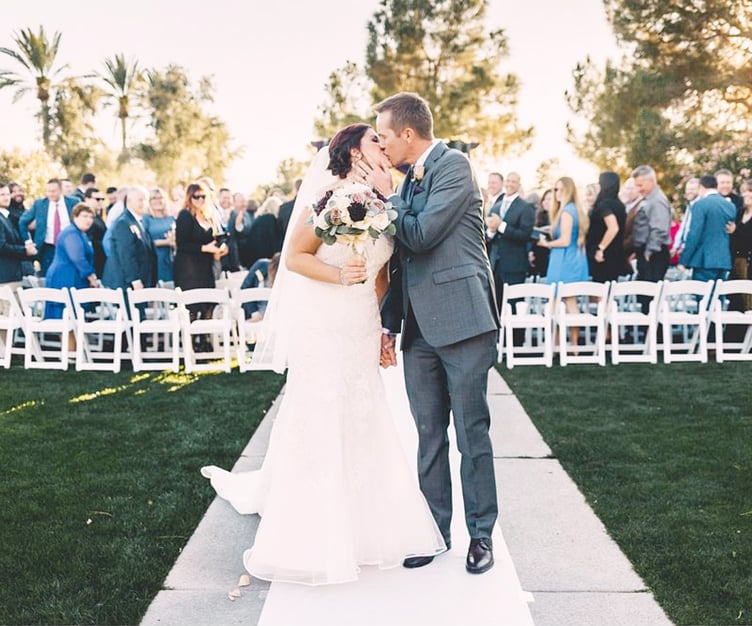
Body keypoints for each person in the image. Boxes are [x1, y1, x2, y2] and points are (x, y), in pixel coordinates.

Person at [201, 123, 445, 585]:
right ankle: (313, 523)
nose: (384, 144)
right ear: (355, 151)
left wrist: (381, 331)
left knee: (363, 409)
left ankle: (365, 521)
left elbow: (381, 275)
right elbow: (295, 258)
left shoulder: (385, 201)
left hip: (361, 323)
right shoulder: (330, 197)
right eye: (375, 139)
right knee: (322, 408)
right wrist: (340, 278)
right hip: (325, 321)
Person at [368, 92, 500, 575]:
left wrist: (378, 202)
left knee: (471, 433)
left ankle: (481, 535)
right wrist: (390, 321)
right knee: (428, 436)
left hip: (463, 322)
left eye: (383, 136)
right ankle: (434, 530)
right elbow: (404, 261)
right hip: (418, 331)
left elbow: (421, 235)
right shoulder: (404, 186)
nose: (380, 145)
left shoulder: (453, 166)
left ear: (408, 134)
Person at [173, 182, 228, 351]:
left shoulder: (209, 216)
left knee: (208, 303)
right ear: (189, 198)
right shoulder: (185, 216)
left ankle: (204, 339)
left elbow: (221, 235)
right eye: (196, 196)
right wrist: (205, 248)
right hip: (188, 269)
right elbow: (181, 244)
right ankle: (189, 342)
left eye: (203, 196)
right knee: (191, 305)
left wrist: (222, 247)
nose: (200, 200)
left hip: (205, 267)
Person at [536, 176, 589, 347]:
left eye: (559, 189)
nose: (556, 193)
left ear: (567, 190)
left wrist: (546, 243)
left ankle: (557, 346)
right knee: (569, 302)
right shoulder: (575, 209)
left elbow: (565, 240)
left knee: (558, 303)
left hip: (564, 259)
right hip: (572, 257)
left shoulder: (567, 211)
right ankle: (571, 347)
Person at [43, 203, 98, 350]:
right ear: (75, 217)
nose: (88, 220)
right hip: (64, 278)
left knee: (74, 315)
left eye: (91, 217)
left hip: (74, 278)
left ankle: (74, 352)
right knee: (66, 315)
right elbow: (77, 257)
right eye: (84, 216)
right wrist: (91, 277)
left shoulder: (81, 233)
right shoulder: (71, 233)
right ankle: (71, 353)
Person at [485, 171, 536, 312]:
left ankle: (517, 335)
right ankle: (500, 335)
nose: (510, 184)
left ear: (519, 185)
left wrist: (501, 226)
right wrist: (491, 231)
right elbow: (489, 237)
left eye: (514, 181)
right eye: (508, 180)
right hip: (496, 265)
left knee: (515, 307)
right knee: (496, 306)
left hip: (515, 266)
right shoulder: (496, 206)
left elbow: (525, 235)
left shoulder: (525, 207)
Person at [678, 175, 735, 282]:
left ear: (701, 187)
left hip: (704, 260)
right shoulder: (729, 205)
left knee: (703, 296)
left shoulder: (700, 204)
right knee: (718, 296)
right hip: (723, 259)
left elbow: (694, 234)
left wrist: (684, 261)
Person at [101, 186, 157, 297]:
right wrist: (134, 280)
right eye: (140, 200)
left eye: (146, 200)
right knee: (131, 314)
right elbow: (126, 254)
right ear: (129, 201)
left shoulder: (141, 221)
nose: (144, 203)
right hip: (127, 286)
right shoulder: (124, 223)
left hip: (140, 282)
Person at [19, 178, 78, 275]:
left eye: (53, 191)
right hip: (47, 249)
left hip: (69, 247)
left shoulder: (74, 203)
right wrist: (28, 242)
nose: (50, 194)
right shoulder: (39, 204)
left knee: (69, 275)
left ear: (61, 190)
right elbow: (22, 222)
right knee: (49, 277)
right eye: (48, 191)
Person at [586, 171, 627, 283]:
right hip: (615, 253)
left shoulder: (604, 205)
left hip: (602, 255)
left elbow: (613, 228)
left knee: (598, 291)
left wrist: (600, 248)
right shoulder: (620, 205)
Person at [0, 181, 36, 284]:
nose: (6, 198)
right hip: (5, 276)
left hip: (12, 274)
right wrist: (24, 250)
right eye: (2, 195)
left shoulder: (6, 217)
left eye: (7, 194)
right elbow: (2, 246)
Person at [143, 186, 176, 283]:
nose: (158, 201)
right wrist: (166, 242)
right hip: (154, 258)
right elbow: (144, 241)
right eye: (154, 198)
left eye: (160, 198)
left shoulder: (171, 219)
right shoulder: (146, 218)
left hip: (169, 259)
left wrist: (173, 240)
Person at [245, 196, 283, 268]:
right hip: (268, 259)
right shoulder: (273, 221)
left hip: (255, 259)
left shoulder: (258, 220)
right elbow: (275, 242)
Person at [83, 187, 108, 279]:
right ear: (87, 199)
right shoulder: (86, 218)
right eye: (97, 199)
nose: (100, 202)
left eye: (102, 199)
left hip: (101, 259)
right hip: (94, 261)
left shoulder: (98, 216)